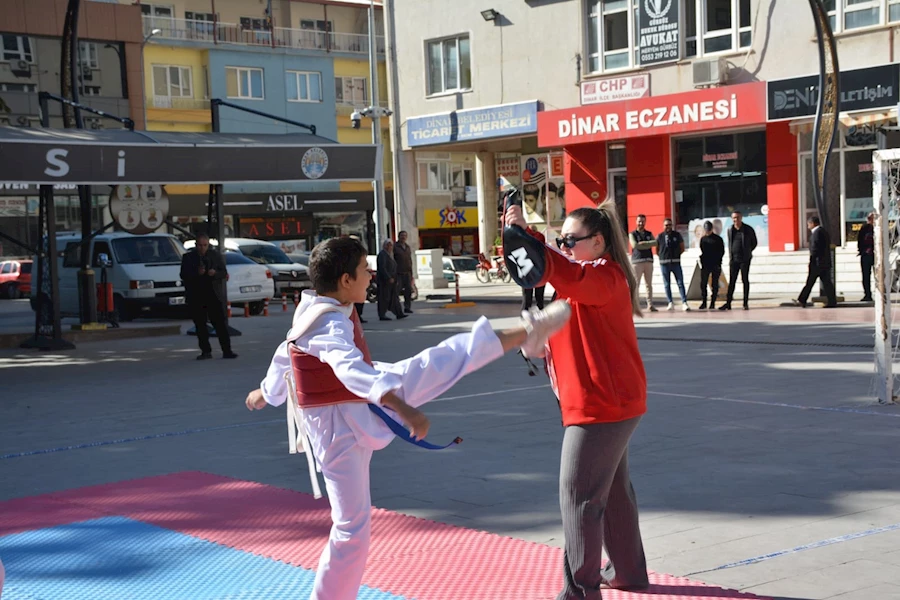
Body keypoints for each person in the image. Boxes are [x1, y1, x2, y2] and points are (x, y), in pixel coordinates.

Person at [244, 236, 572, 600]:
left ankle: (529, 331)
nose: (371, 274)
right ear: (345, 281)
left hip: (348, 409)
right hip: (341, 424)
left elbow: (287, 347)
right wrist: (404, 409)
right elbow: (349, 370)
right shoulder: (330, 325)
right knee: (351, 526)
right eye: (363, 269)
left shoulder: (316, 307)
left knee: (436, 362)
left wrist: (266, 392)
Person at [504, 200, 650, 600]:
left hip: (601, 406)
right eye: (560, 239)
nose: (564, 246)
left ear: (598, 242)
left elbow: (564, 271)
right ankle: (628, 571)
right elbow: (556, 277)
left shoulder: (605, 276)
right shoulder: (583, 280)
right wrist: (527, 237)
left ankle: (580, 593)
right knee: (613, 491)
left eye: (571, 240)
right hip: (607, 402)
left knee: (578, 495)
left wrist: (530, 242)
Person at [180, 232, 236, 360]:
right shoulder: (188, 257)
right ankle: (206, 351)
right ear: (196, 245)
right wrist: (196, 273)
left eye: (205, 245)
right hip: (197, 296)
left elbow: (224, 272)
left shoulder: (215, 256)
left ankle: (227, 350)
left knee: (220, 324)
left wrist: (214, 273)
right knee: (200, 325)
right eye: (200, 245)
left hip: (213, 295)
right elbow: (183, 275)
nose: (202, 248)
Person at [795, 215, 837, 308]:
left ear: (813, 223)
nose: (808, 226)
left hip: (817, 264)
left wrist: (812, 260)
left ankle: (802, 300)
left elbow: (815, 248)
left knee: (810, 283)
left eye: (808, 224)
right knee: (827, 283)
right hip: (824, 263)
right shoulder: (823, 231)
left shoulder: (816, 233)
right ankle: (832, 301)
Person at [721, 211, 757, 311]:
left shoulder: (748, 229)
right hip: (734, 260)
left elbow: (754, 242)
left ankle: (745, 303)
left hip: (745, 259)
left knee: (745, 280)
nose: (735, 220)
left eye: (737, 218)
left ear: (741, 218)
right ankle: (728, 303)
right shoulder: (730, 229)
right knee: (732, 281)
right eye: (733, 218)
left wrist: (747, 251)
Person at [656, 218, 690, 312]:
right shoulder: (660, 236)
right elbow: (657, 250)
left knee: (680, 283)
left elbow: (682, 247)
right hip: (664, 263)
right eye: (666, 225)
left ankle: (684, 302)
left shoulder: (677, 235)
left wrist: (677, 255)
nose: (668, 227)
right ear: (663, 226)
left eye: (669, 225)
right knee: (667, 284)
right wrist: (662, 257)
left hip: (675, 262)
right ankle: (670, 302)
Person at [629, 214, 658, 312]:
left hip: (648, 260)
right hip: (637, 261)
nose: (641, 223)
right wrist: (646, 244)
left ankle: (650, 304)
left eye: (643, 221)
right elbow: (634, 245)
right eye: (639, 221)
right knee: (636, 284)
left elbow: (655, 243)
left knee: (648, 284)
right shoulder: (632, 234)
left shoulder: (649, 233)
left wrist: (644, 243)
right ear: (636, 222)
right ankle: (636, 305)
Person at [698, 220, 725, 310]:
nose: (707, 231)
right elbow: (702, 249)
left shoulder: (718, 239)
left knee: (715, 284)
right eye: (706, 229)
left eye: (709, 229)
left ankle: (713, 302)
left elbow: (722, 252)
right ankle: (704, 302)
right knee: (703, 284)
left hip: (715, 264)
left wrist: (718, 263)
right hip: (706, 264)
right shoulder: (703, 239)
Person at [376, 240, 405, 321]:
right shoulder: (382, 254)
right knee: (384, 297)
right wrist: (388, 277)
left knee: (394, 297)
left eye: (391, 245)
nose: (389, 247)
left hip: (392, 280)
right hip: (384, 281)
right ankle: (382, 314)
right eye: (387, 245)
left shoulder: (390, 255)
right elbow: (382, 268)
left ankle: (399, 313)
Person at [522, 225, 547, 311]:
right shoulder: (540, 236)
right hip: (539, 267)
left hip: (527, 268)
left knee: (527, 295)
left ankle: (525, 312)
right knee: (539, 295)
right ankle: (540, 311)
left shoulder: (524, 236)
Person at [393, 231, 415, 314]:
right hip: (398, 273)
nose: (403, 237)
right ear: (398, 236)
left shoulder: (407, 247)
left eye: (405, 236)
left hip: (407, 273)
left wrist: (411, 273)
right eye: (402, 235)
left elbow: (409, 260)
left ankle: (407, 307)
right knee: (396, 291)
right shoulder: (395, 247)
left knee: (408, 291)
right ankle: (396, 308)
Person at [858, 213, 875, 302]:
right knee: (866, 276)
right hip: (866, 254)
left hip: (876, 255)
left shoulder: (878, 228)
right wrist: (862, 251)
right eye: (868, 218)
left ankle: (881, 293)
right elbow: (860, 240)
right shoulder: (864, 228)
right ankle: (867, 294)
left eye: (871, 218)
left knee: (879, 276)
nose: (869, 220)